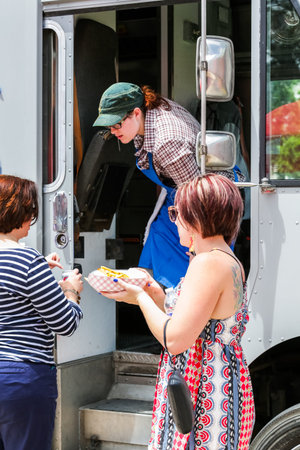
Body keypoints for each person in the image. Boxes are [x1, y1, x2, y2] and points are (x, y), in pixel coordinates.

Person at [101, 173, 255, 449]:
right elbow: (195, 322)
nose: (174, 221)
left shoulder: (207, 263)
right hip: (220, 383)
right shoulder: (225, 260)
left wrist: (140, 297)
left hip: (202, 389)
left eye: (176, 213)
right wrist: (153, 294)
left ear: (197, 217)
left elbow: (174, 339)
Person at [93, 82, 245, 288]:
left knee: (196, 276)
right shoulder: (153, 110)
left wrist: (195, 252)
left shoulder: (166, 143)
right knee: (155, 245)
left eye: (117, 124)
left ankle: (180, 307)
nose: (112, 131)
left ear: (136, 113)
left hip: (208, 205)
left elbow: (198, 203)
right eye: (109, 125)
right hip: (183, 195)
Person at [0, 175, 83, 450]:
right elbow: (66, 323)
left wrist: (38, 274)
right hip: (21, 378)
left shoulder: (25, 264)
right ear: (20, 212)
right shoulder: (26, 260)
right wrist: (71, 291)